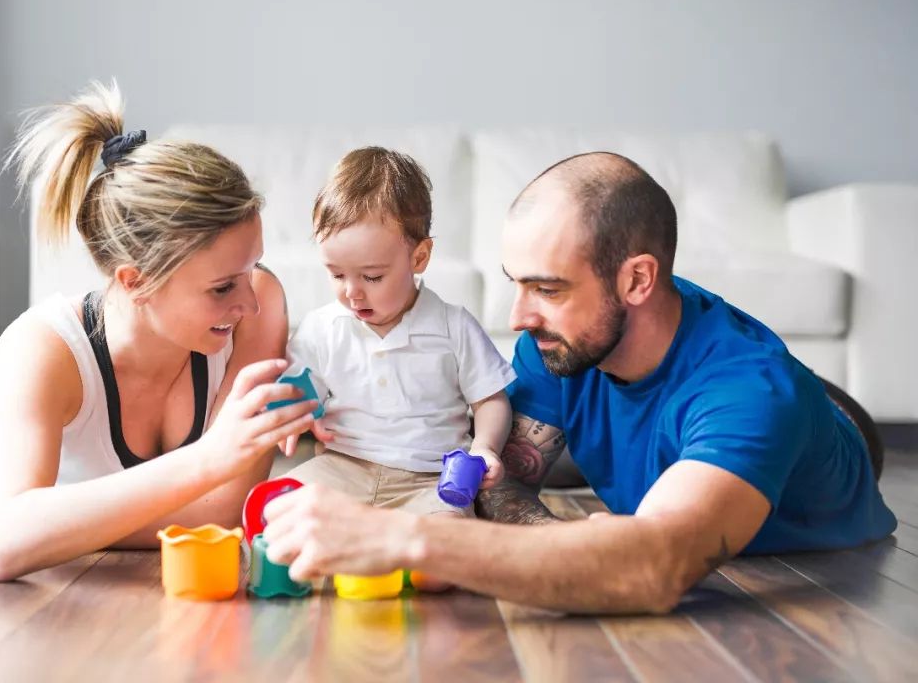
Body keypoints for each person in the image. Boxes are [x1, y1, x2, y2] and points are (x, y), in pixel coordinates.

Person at [261, 152, 897, 613]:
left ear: (637, 281)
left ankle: (829, 412)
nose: (517, 317)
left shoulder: (751, 396)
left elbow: (653, 566)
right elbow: (500, 488)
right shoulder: (556, 342)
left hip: (813, 441)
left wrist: (400, 535)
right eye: (517, 282)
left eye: (548, 288)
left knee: (795, 413)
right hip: (660, 394)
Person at [0, 81, 317, 581]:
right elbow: (3, 549)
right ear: (135, 280)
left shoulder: (260, 305)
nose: (249, 301)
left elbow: (226, 512)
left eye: (252, 268)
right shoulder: (41, 350)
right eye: (221, 287)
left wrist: (53, 518)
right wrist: (210, 460)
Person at [279, 148, 516, 589]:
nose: (352, 293)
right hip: (345, 466)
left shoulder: (452, 326)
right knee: (279, 511)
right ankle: (360, 542)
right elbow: (300, 389)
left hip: (428, 480)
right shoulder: (322, 328)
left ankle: (389, 549)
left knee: (445, 559)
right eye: (336, 275)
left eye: (371, 277)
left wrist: (485, 447)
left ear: (419, 257)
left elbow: (491, 399)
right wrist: (299, 414)